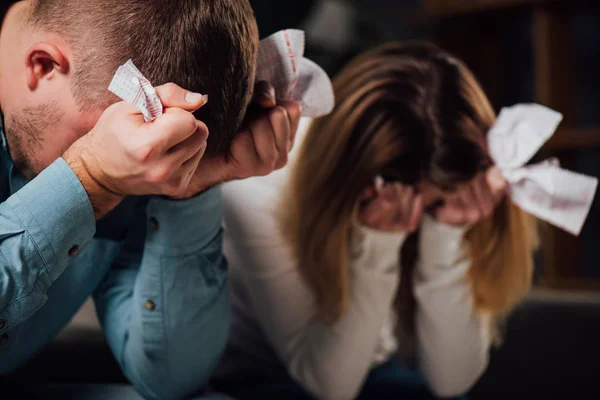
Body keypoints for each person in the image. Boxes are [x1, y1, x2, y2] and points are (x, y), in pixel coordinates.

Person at [0, 0, 300, 399]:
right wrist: (89, 178)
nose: (136, 165)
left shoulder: (143, 156)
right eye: (105, 142)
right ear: (43, 66)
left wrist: (190, 191)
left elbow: (171, 378)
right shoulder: (106, 163)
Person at [214, 42, 538, 399]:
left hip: (374, 367)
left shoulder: (446, 172)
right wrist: (378, 244)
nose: (416, 224)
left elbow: (451, 383)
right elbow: (329, 387)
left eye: (432, 207)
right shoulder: (259, 184)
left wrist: (447, 233)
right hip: (263, 377)